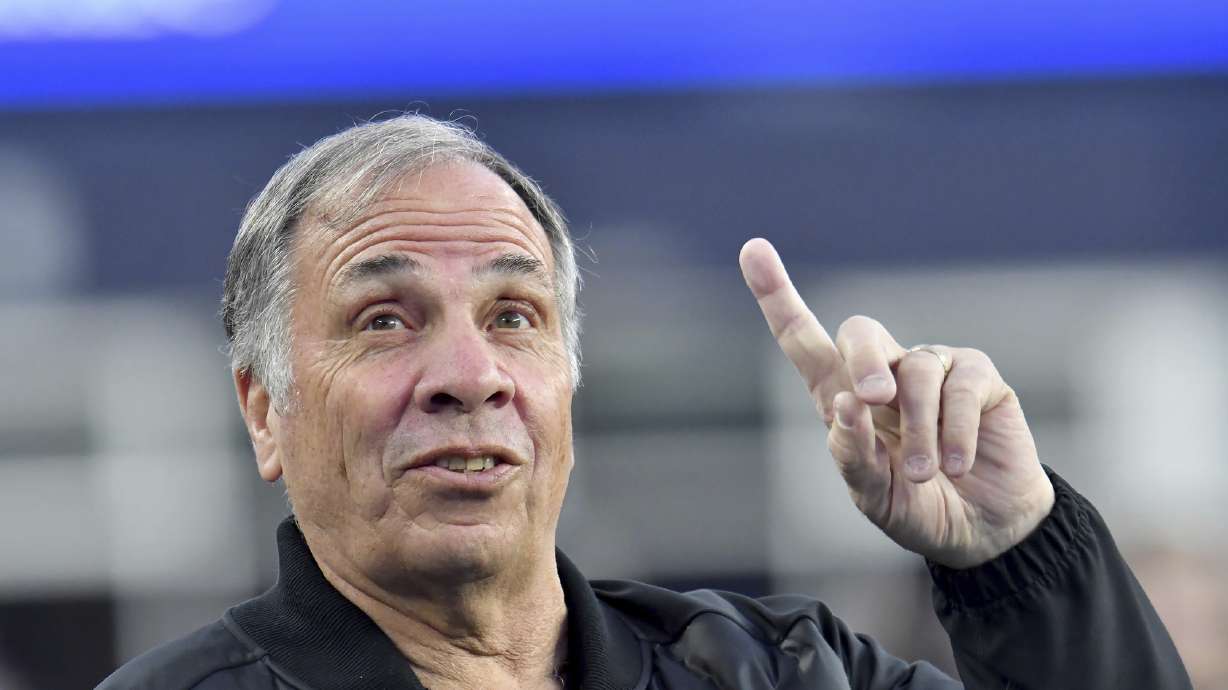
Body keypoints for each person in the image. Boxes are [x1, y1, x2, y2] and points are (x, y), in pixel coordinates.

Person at [99, 114, 1190, 689]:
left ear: (566, 386)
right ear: (262, 410)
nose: (469, 374)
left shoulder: (780, 675)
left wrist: (1011, 555)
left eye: (515, 315)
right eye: (385, 321)